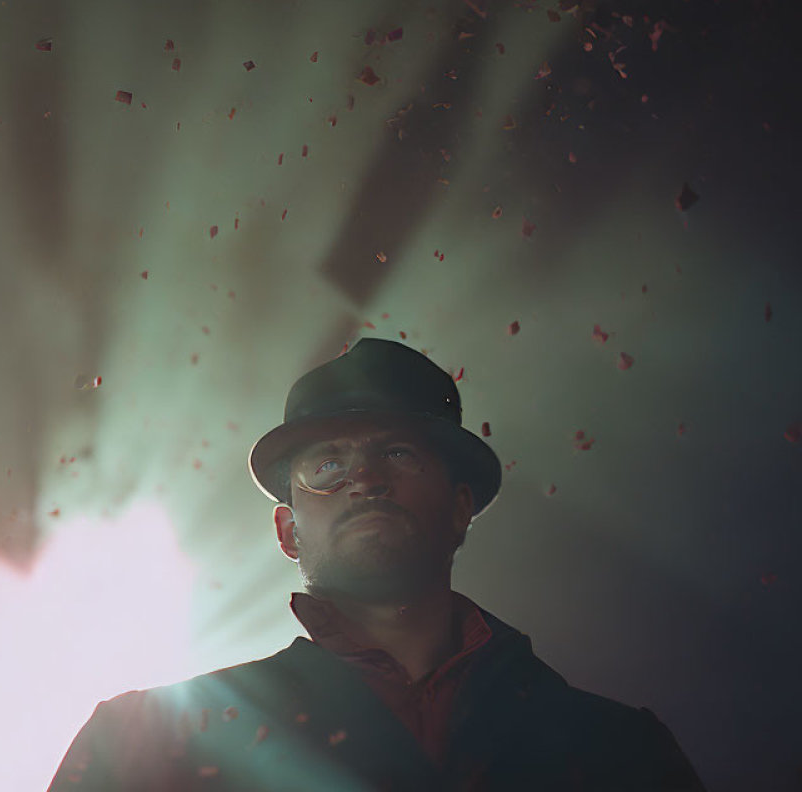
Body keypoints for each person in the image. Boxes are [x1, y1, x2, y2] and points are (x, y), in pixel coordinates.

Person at [46, 338, 707, 791]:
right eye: (327, 464)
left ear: (459, 507)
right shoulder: (146, 745)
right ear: (287, 529)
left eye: (397, 453)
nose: (363, 477)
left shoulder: (620, 752)